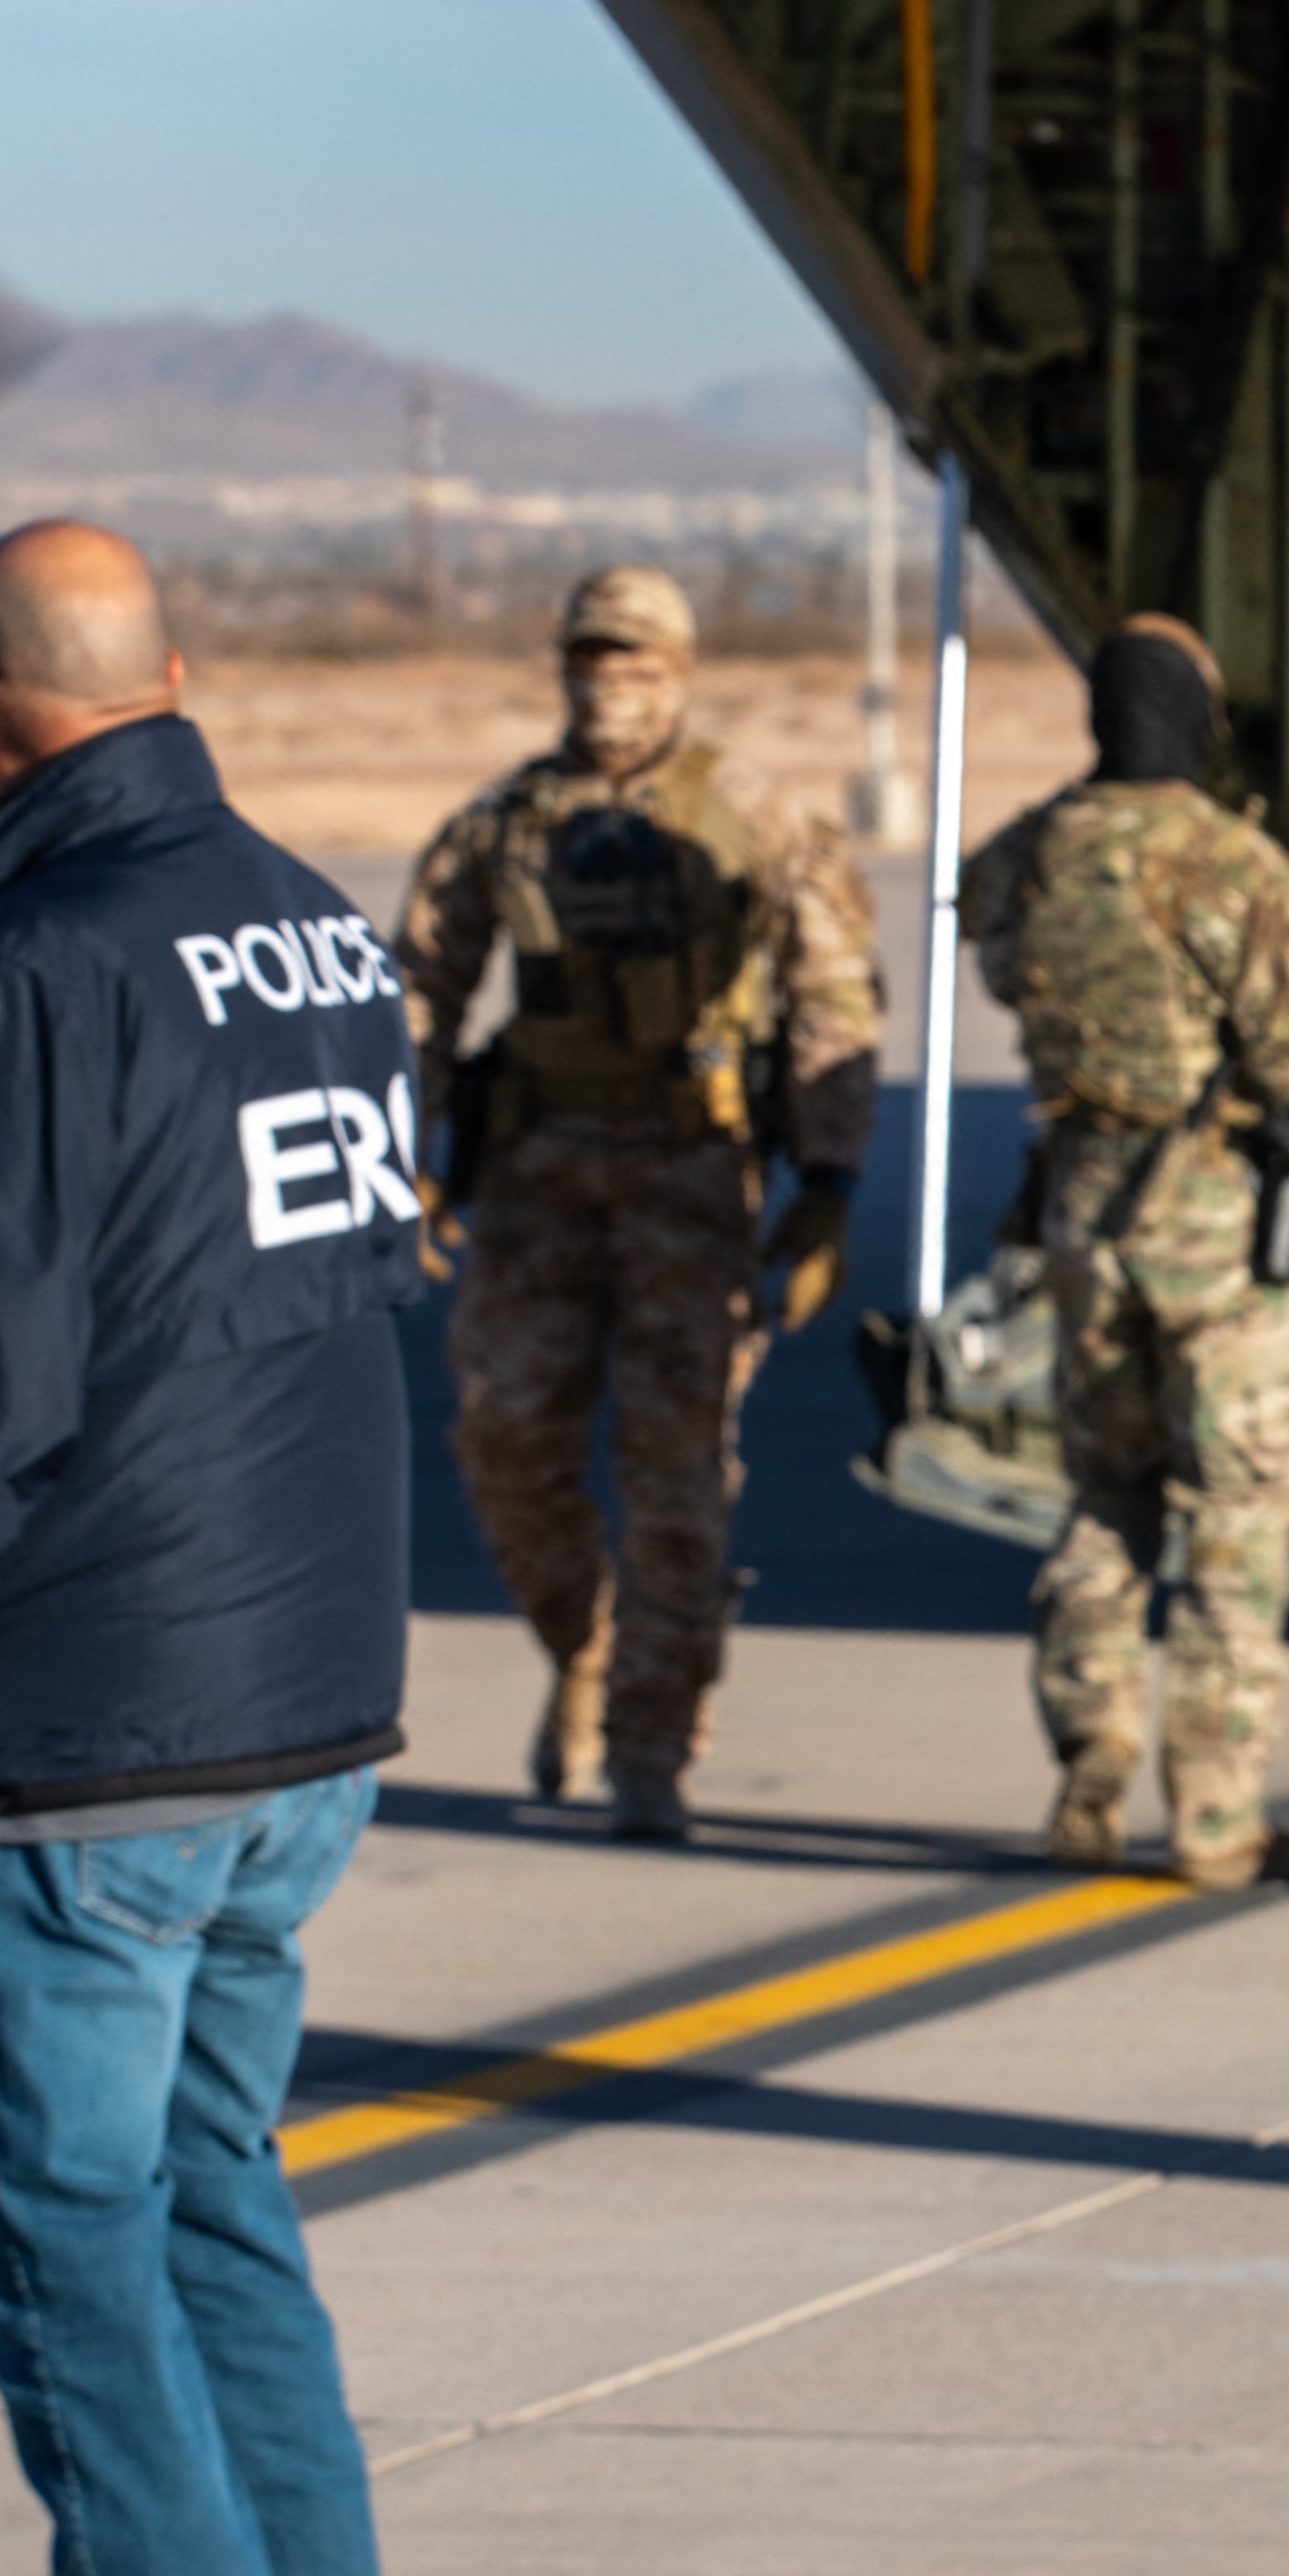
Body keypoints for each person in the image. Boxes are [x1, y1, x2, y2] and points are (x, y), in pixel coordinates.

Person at [0, 521, 415, 2576]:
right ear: (169, 675)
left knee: (73, 2274)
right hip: (298, 1713)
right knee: (212, 2205)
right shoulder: (318, 924)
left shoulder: (31, 966)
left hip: (83, 1739)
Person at [393, 567, 884, 1841]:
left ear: (682, 669)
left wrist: (828, 1184)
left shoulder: (757, 815)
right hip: (541, 1175)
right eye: (591, 657)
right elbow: (420, 989)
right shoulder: (509, 822)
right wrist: (410, 1153)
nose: (610, 683)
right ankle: (583, 1645)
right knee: (504, 1445)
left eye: (637, 659)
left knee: (676, 1480)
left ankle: (653, 1750)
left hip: (690, 1180)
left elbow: (836, 996)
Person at [962, 617, 1289, 1886]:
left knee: (1105, 1490)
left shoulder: (1026, 854)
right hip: (1208, 1222)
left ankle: (1090, 1756)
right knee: (1239, 1512)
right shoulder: (1231, 864)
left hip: (1083, 1205)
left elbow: (997, 970)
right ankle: (1214, 1811)